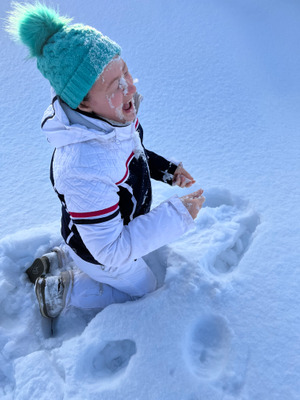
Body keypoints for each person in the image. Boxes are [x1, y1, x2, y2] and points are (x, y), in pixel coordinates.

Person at [6, 3, 205, 318]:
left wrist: (168, 171)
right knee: (146, 289)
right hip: (102, 252)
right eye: (117, 85)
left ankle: (59, 257)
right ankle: (63, 288)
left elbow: (134, 154)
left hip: (96, 230)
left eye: (125, 71)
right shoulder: (83, 167)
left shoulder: (112, 119)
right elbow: (111, 251)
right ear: (83, 103)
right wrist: (178, 216)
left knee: (98, 242)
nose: (131, 87)